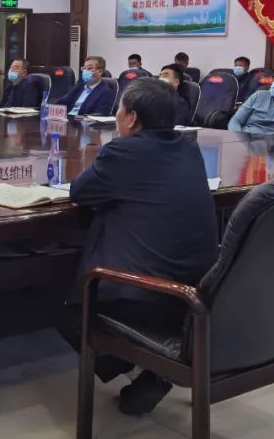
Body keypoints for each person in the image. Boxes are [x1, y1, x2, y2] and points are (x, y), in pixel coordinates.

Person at [67, 78, 219, 415]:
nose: (117, 115)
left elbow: (80, 192)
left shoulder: (123, 152)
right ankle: (150, 370)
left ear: (132, 117)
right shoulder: (189, 147)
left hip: (145, 294)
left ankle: (139, 363)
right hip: (197, 287)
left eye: (120, 109)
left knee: (61, 301)